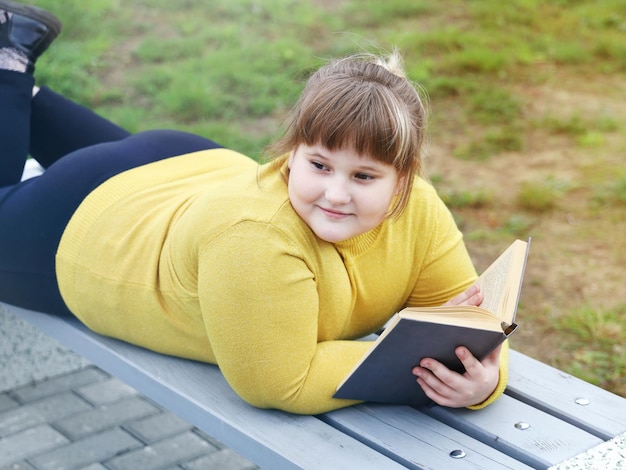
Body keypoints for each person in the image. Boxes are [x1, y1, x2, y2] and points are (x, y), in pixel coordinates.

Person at [0, 0, 507, 414]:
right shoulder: (255, 239)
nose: (335, 193)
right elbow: (280, 383)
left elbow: (468, 325)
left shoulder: (418, 207)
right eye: (320, 165)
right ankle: (10, 67)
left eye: (364, 176)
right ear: (293, 151)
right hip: (89, 228)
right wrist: (423, 367)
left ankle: (16, 80)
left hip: (185, 166)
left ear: (405, 177)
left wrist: (483, 381)